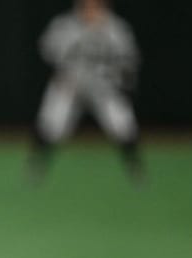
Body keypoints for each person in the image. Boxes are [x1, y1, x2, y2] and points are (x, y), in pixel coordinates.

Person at [28, 0, 143, 182]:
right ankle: (36, 166)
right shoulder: (64, 25)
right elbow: (47, 50)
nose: (90, 9)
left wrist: (119, 81)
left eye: (95, 5)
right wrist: (61, 73)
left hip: (103, 85)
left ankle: (135, 167)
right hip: (71, 84)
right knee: (52, 121)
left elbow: (129, 60)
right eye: (86, 5)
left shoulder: (116, 28)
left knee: (121, 122)